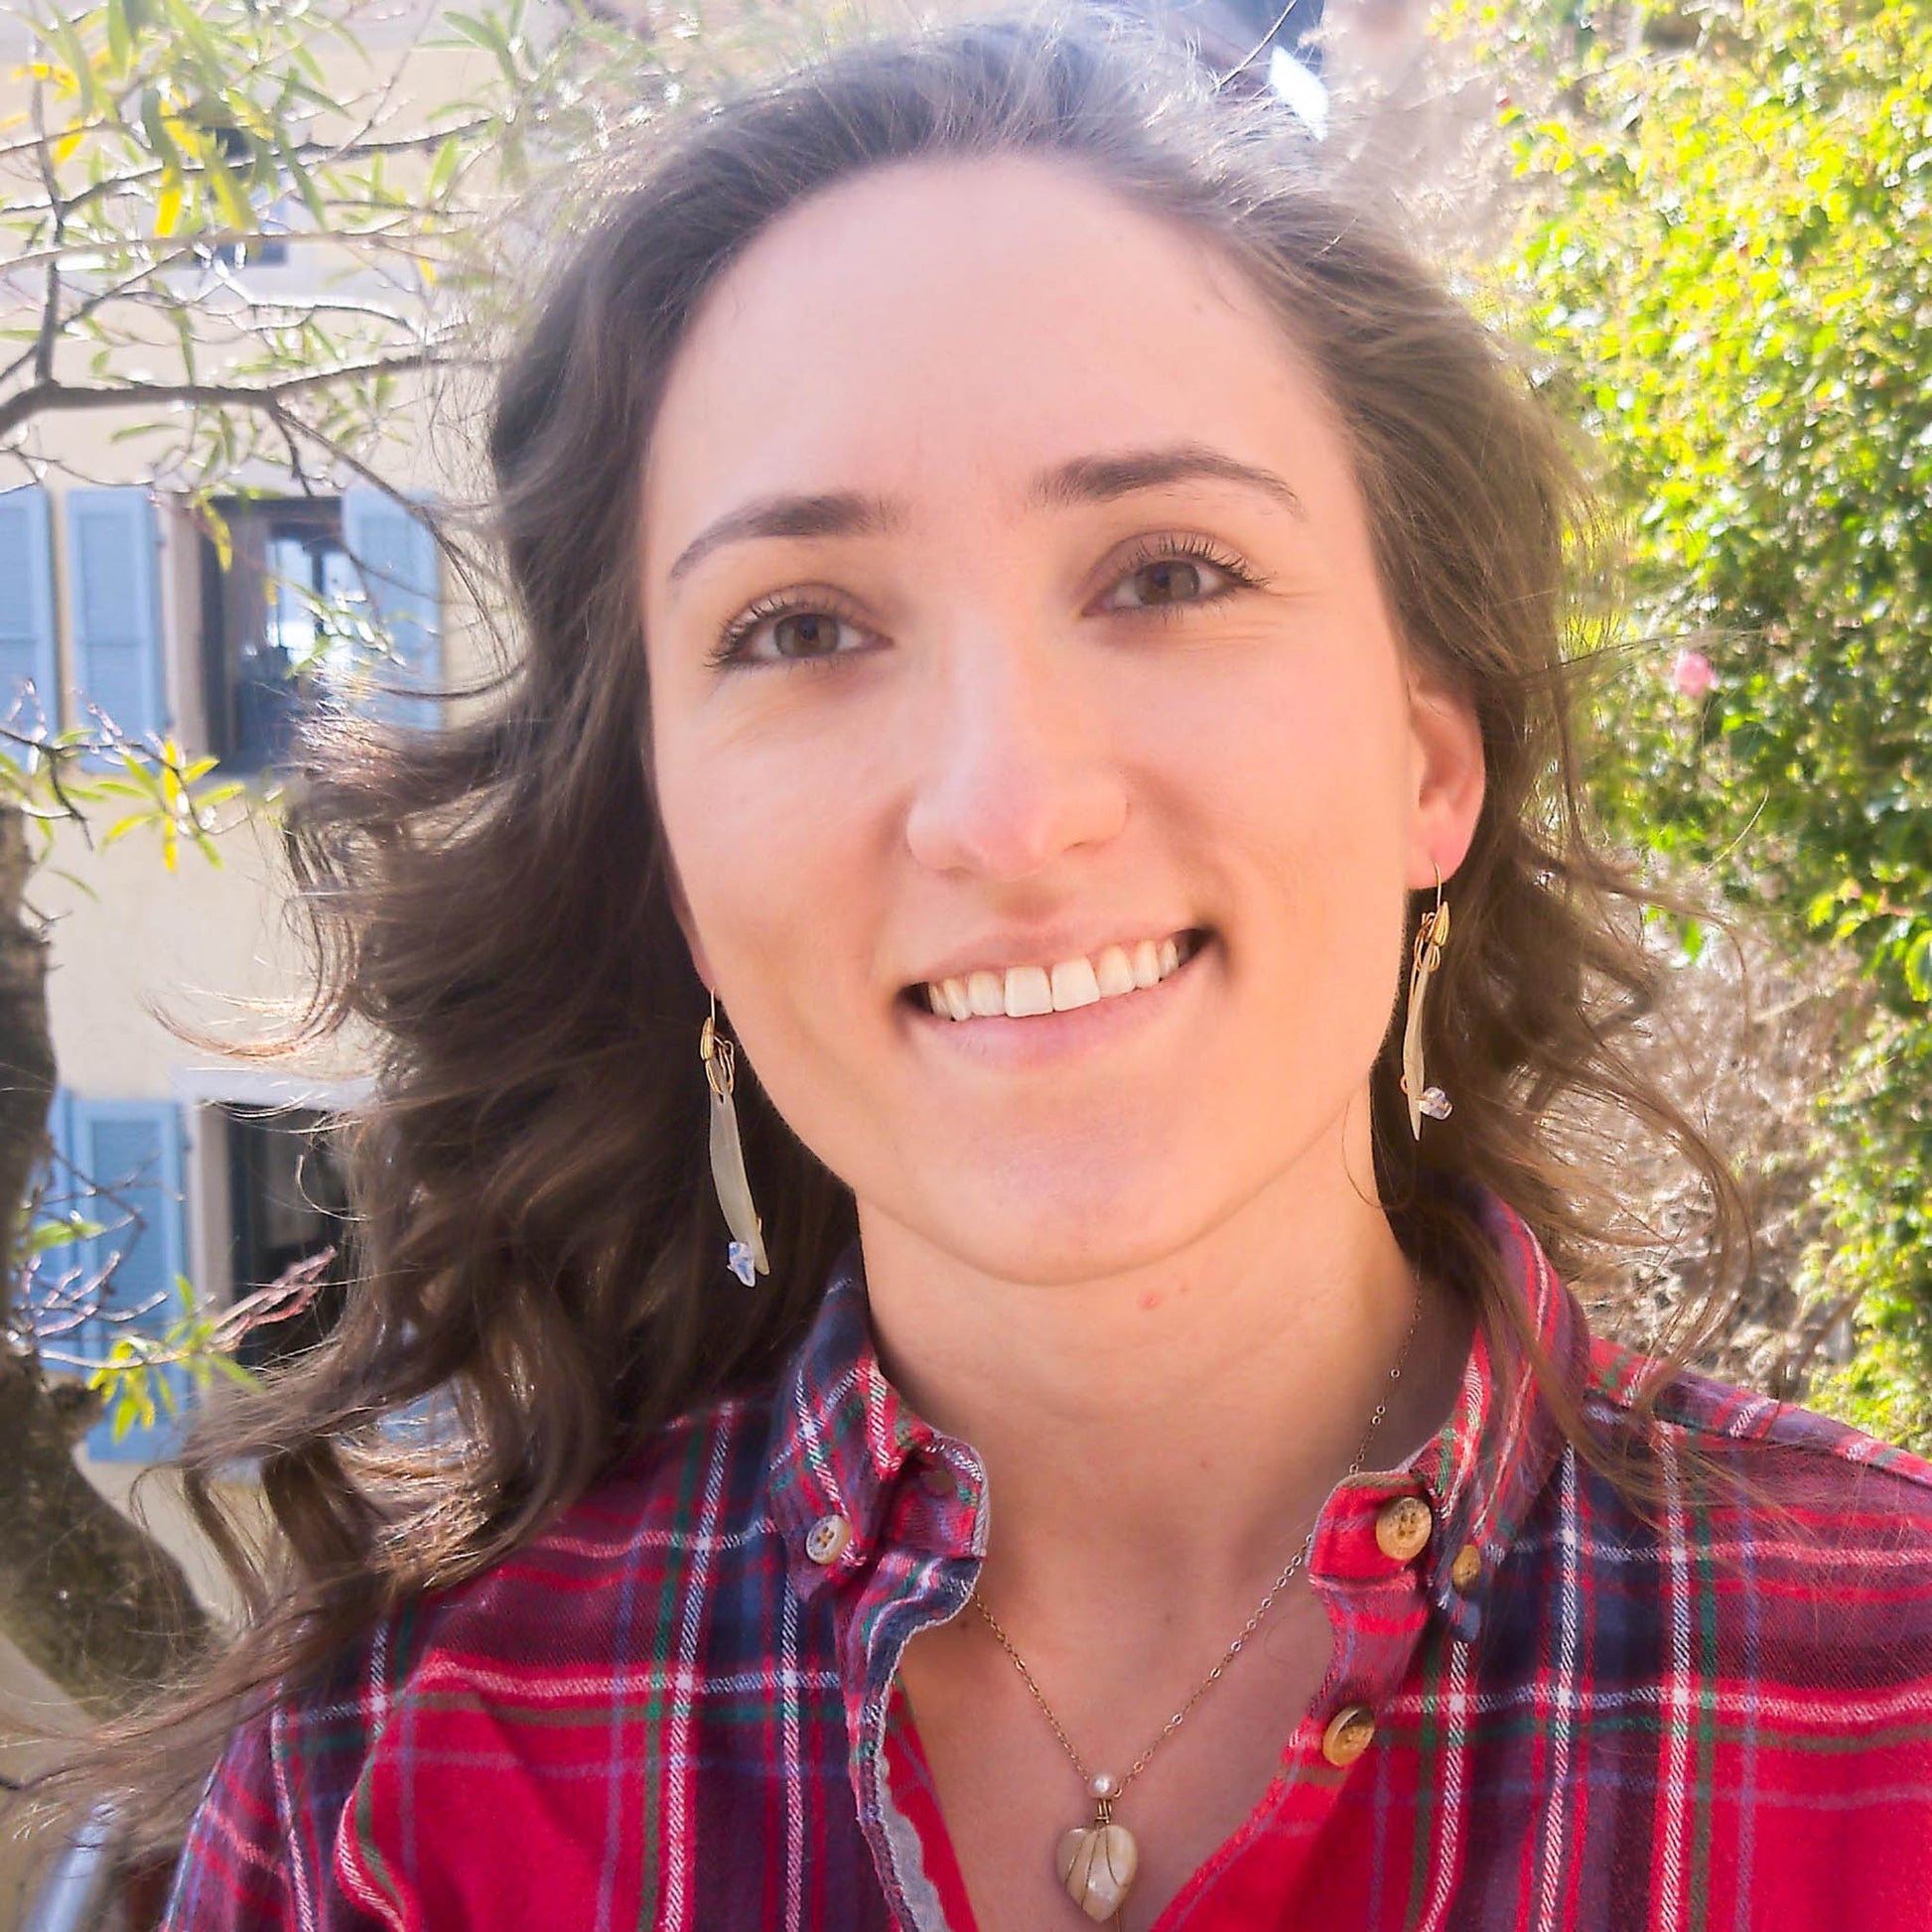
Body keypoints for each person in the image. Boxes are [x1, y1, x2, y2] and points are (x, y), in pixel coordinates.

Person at [128, 11, 1932, 1930]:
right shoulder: (388, 1802)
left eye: (1168, 574)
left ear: (1427, 764)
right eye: (799, 626)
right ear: (672, 858)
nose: (1003, 808)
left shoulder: (1882, 1696)